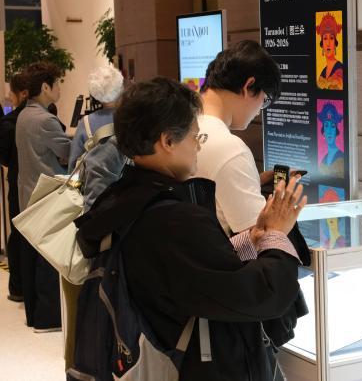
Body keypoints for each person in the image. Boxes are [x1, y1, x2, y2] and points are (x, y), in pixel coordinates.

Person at [75, 77, 306, 380]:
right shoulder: (173, 219)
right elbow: (261, 295)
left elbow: (195, 272)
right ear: (168, 141)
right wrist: (277, 234)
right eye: (195, 137)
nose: (198, 146)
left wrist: (252, 238)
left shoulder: (124, 198)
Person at [196, 41, 280, 234]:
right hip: (216, 252)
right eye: (264, 100)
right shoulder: (231, 150)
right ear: (249, 86)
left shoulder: (180, 127)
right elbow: (261, 236)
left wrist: (251, 181)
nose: (259, 111)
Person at [15, 61, 71, 331]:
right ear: (46, 87)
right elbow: (68, 153)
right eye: (57, 83)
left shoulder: (24, 115)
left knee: (31, 259)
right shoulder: (46, 120)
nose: (60, 88)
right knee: (48, 261)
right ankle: (48, 319)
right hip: (46, 195)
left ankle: (35, 315)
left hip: (28, 193)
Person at [0, 72, 30, 301]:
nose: (9, 96)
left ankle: (18, 287)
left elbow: (3, 157)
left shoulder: (9, 122)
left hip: (17, 178)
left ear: (22, 93)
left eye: (12, 92)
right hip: (37, 183)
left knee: (17, 230)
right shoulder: (46, 117)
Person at [68, 65, 124, 172]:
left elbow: (73, 166)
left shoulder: (85, 123)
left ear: (95, 93)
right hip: (128, 180)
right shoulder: (131, 118)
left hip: (95, 181)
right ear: (120, 88)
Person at [316, 12, 344, 90]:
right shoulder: (323, 73)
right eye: (325, 38)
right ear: (322, 44)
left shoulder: (340, 69)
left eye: (331, 38)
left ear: (335, 43)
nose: (328, 43)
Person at [318, 102, 344, 177]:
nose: (329, 131)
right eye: (326, 126)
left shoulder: (342, 158)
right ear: (323, 132)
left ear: (336, 131)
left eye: (332, 126)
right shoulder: (323, 160)